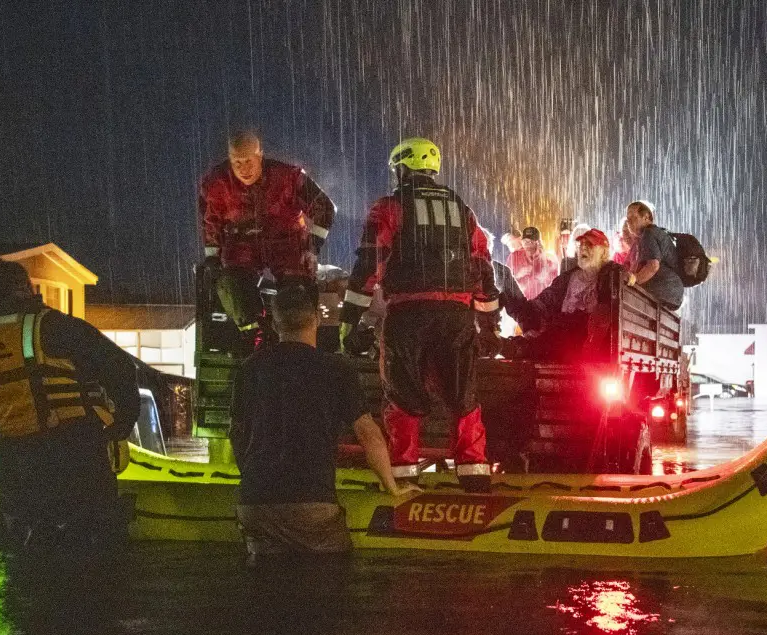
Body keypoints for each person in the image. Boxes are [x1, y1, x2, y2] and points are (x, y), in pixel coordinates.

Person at [339, 137, 501, 492]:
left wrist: (349, 320)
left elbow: (368, 263)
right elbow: (482, 266)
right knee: (464, 396)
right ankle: (475, 477)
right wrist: (489, 324)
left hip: (408, 315)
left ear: (402, 168)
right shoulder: (462, 209)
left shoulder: (389, 207)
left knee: (403, 396)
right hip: (456, 315)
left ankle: (402, 477)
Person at [0, 260, 140, 550]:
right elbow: (120, 367)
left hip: (14, 469)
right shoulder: (57, 327)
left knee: (28, 564)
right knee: (95, 560)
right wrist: (122, 423)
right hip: (75, 458)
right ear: (25, 287)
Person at [230, 286, 417, 557]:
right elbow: (369, 435)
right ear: (316, 318)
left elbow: (237, 433)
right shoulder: (336, 369)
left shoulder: (250, 369)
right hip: (312, 502)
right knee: (329, 578)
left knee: (266, 585)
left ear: (274, 323)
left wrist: (251, 478)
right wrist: (392, 486)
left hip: (254, 504)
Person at [198, 128, 337, 348]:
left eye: (249, 161)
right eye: (237, 163)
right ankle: (255, 337)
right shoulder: (216, 184)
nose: (244, 169)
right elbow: (210, 222)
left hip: (287, 241)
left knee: (297, 297)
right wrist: (213, 259)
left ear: (260, 154)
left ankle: (297, 342)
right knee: (231, 286)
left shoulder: (288, 177)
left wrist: (312, 247)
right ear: (229, 160)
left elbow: (325, 208)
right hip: (241, 242)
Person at [508, 228, 624, 361]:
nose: (583, 249)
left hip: (584, 334)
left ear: (603, 252)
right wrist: (531, 316)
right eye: (581, 245)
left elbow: (623, 276)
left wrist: (628, 276)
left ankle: (520, 347)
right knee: (505, 281)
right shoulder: (567, 277)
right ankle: (511, 345)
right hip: (558, 330)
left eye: (590, 245)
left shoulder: (611, 274)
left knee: (565, 327)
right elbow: (545, 300)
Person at [623, 201, 684, 310]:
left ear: (646, 217)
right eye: (627, 219)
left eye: (633, 217)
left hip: (664, 290)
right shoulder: (651, 236)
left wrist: (634, 281)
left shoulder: (649, 234)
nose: (629, 222)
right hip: (672, 294)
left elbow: (653, 266)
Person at [506, 226, 559, 300]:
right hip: (520, 302)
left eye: (531, 241)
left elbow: (556, 286)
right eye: (525, 241)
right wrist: (518, 275)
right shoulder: (514, 256)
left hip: (541, 303)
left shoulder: (549, 259)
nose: (527, 244)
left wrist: (546, 278)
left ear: (538, 242)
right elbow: (505, 282)